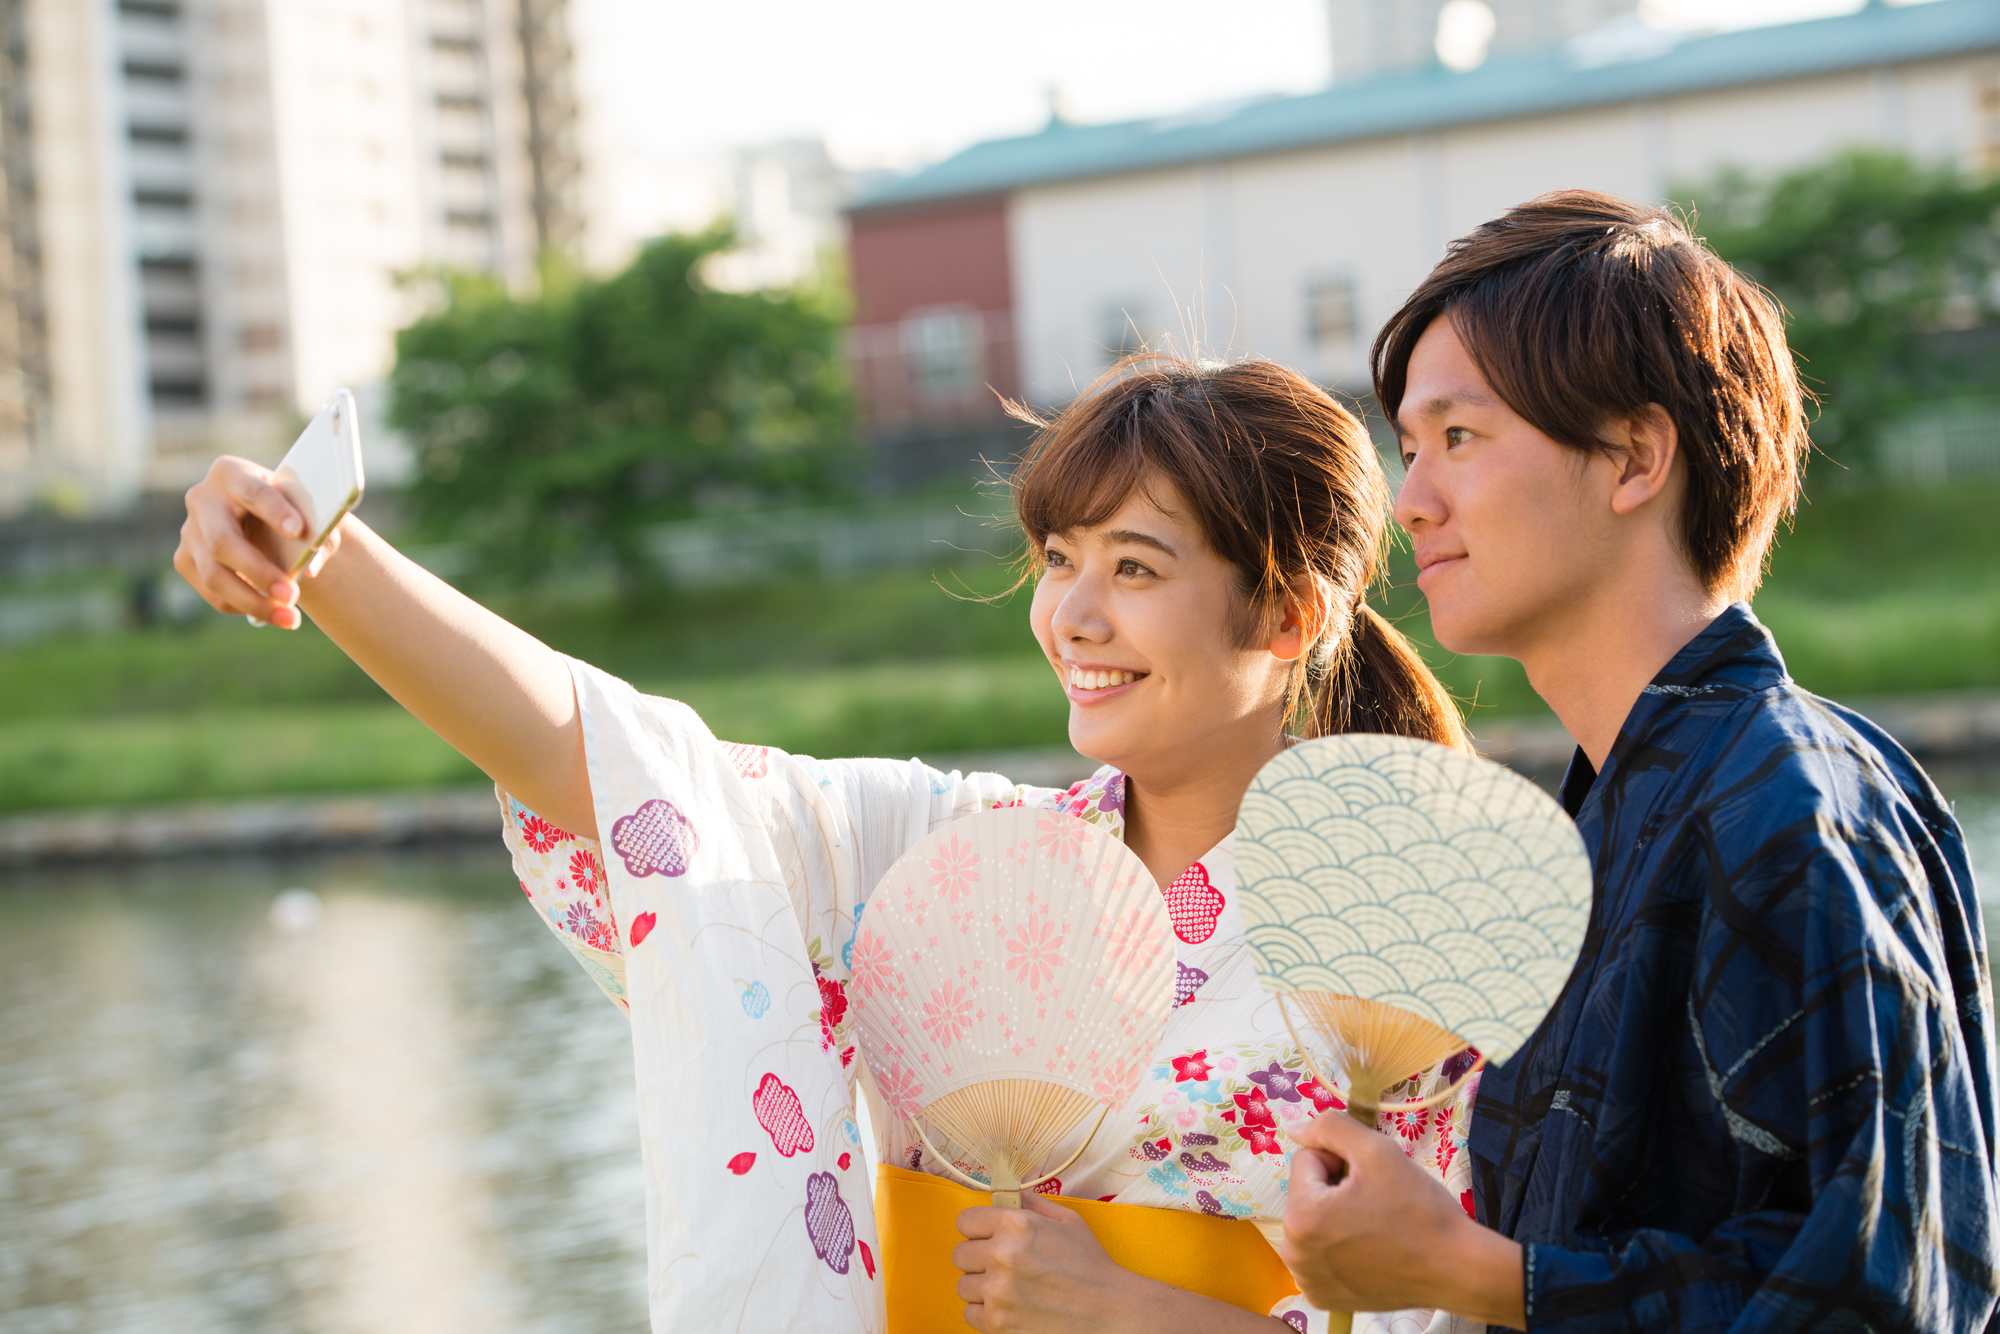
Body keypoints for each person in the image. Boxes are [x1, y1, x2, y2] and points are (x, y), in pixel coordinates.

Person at [176, 355, 1477, 1332]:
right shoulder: (951, 854)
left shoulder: (1411, 929)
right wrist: (328, 555)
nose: (1073, 614)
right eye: (1057, 558)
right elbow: (629, 769)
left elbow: (1465, 1303)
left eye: (1135, 568)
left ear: (1292, 612)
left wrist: (1139, 1311)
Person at [1277, 191, 2000, 1332]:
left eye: (1458, 438)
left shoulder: (1788, 803)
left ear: (1632, 455)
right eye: (1408, 449)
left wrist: (1469, 1273)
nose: (1409, 502)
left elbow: (1885, 1283)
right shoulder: (1621, 812)